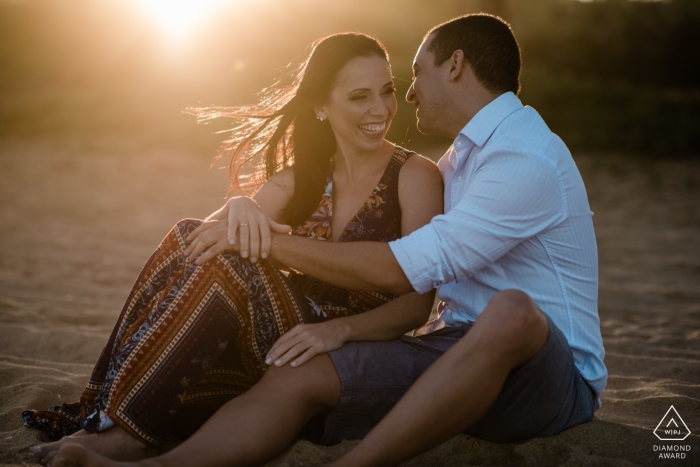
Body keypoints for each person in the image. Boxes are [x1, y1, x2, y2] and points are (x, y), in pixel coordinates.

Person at [51, 13, 607, 467]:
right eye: (367, 94)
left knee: (512, 312)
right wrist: (242, 211)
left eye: (409, 77)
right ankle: (147, 455)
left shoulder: (522, 156)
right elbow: (220, 230)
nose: (405, 97)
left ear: (455, 66)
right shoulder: (462, 157)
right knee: (299, 369)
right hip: (452, 347)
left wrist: (272, 249)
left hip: (548, 376)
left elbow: (412, 271)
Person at [24, 32, 443, 466]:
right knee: (189, 233)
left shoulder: (414, 176)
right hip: (279, 338)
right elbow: (202, 244)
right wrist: (238, 204)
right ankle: (106, 418)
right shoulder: (302, 178)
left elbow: (417, 305)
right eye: (360, 97)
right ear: (321, 107)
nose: (381, 109)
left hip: (342, 341)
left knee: (228, 264)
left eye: (387, 90)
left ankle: (123, 431)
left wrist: (341, 330)